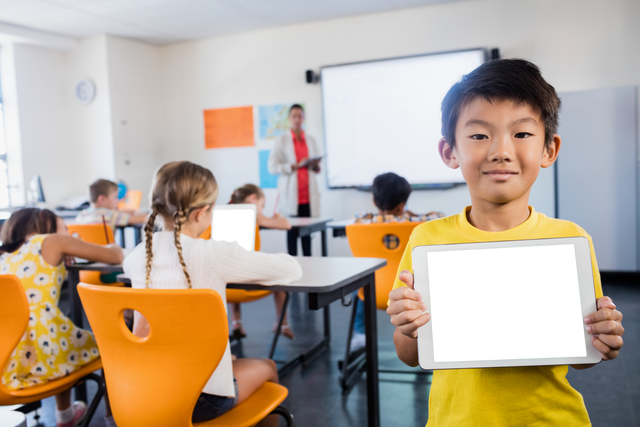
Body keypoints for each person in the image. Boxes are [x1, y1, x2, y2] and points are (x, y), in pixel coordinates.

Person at [387, 59, 625, 426]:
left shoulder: (569, 239)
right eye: (480, 135)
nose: (501, 150)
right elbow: (410, 354)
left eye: (522, 134)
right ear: (450, 151)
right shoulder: (427, 240)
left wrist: (603, 335)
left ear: (549, 149)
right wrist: (406, 325)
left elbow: (581, 352)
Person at [123, 161, 302, 425]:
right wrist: (241, 255)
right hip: (202, 398)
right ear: (202, 213)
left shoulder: (137, 257)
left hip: (145, 392)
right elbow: (291, 270)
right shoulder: (212, 253)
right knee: (269, 368)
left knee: (230, 360)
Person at [0, 208, 123, 427]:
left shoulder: (4, 255)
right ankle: (113, 419)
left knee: (60, 335)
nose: (67, 233)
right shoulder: (52, 241)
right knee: (107, 345)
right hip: (43, 349)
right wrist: (77, 242)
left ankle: (65, 414)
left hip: (8, 358)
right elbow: (115, 255)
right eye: (64, 227)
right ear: (44, 221)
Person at [350, 172, 444, 351]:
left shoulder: (361, 222)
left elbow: (361, 215)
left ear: (375, 202)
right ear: (403, 204)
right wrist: (407, 213)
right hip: (411, 292)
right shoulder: (420, 223)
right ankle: (425, 334)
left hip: (373, 291)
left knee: (360, 284)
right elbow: (438, 216)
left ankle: (361, 333)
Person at [229, 184, 296, 340]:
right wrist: (277, 217)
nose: (261, 209)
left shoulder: (223, 213)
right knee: (279, 277)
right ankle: (282, 324)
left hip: (225, 289)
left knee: (232, 265)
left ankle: (236, 323)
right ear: (253, 199)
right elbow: (286, 225)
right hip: (245, 286)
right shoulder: (255, 215)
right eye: (262, 205)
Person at [268, 104, 322, 256]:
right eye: (294, 116)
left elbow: (318, 169)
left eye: (300, 116)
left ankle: (309, 270)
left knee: (307, 236)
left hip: (308, 198)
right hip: (291, 198)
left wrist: (315, 165)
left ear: (303, 118)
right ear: (289, 119)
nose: (297, 119)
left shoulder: (310, 140)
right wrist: (294, 165)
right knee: (291, 235)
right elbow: (273, 167)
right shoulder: (282, 141)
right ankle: (292, 269)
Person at [75, 179, 148, 230]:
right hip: (106, 251)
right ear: (102, 199)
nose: (118, 200)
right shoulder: (110, 215)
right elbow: (143, 218)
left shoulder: (81, 215)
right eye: (115, 197)